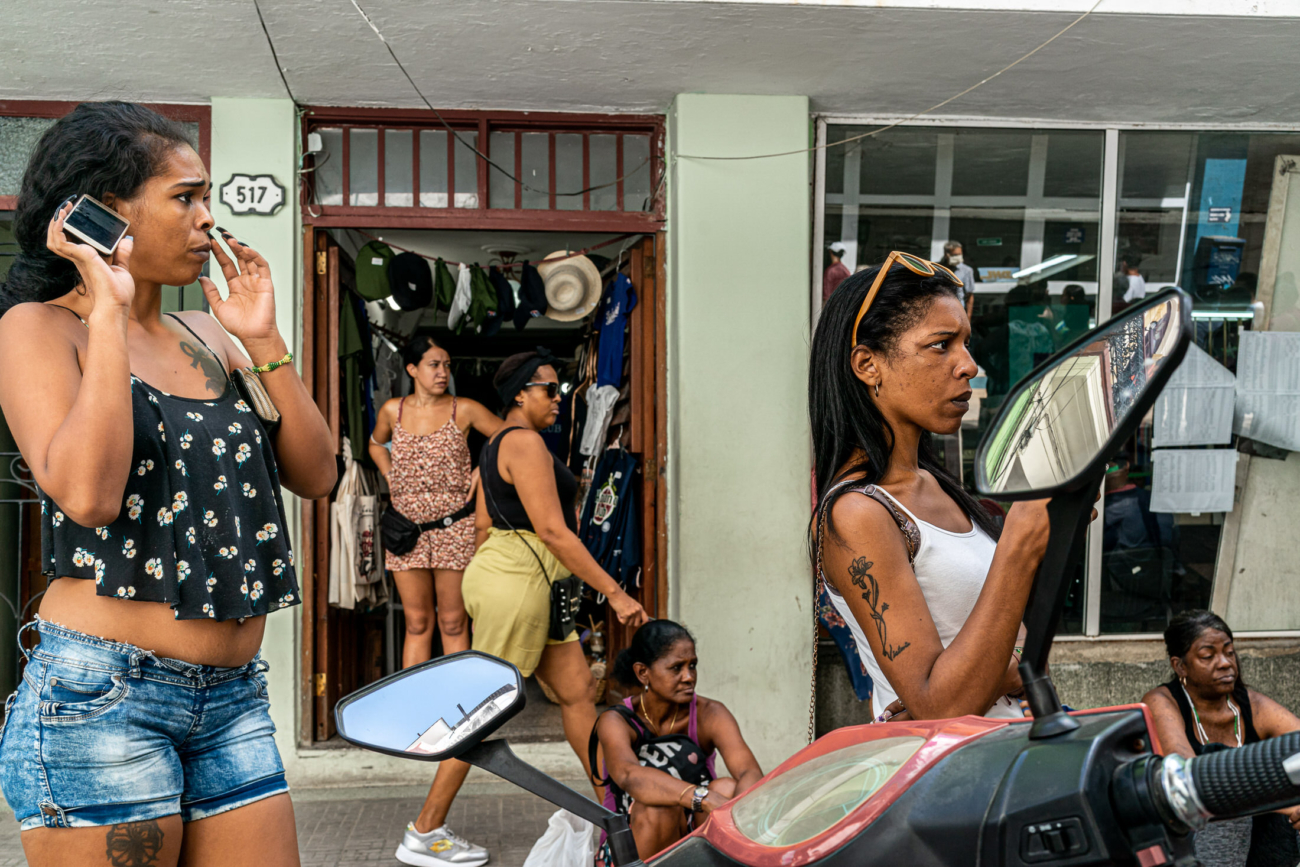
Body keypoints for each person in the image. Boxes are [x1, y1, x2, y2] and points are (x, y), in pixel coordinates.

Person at [0, 102, 336, 866]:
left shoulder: (213, 333)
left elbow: (316, 475)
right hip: (101, 696)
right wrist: (110, 313)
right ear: (102, 214)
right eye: (184, 198)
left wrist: (266, 340)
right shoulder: (39, 329)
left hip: (232, 698)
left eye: (207, 196)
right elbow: (88, 495)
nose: (207, 220)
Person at [396, 348, 649, 867]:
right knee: (482, 709)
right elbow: (553, 531)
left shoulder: (496, 445)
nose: (560, 399)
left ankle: (611, 799)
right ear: (520, 394)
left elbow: (486, 525)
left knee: (579, 693)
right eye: (550, 390)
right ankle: (424, 829)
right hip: (519, 581)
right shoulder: (525, 443)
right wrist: (617, 594)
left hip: (523, 578)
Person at [809, 255, 1052, 721]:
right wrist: (1020, 542)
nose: (969, 366)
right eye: (941, 346)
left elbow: (1023, 648)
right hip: (954, 781)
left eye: (966, 343)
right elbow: (941, 705)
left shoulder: (936, 488)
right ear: (867, 364)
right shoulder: (859, 513)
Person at [369, 336, 502, 665]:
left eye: (446, 365)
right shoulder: (392, 410)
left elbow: (508, 437)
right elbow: (374, 444)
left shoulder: (464, 408)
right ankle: (416, 708)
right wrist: (389, 474)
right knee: (416, 623)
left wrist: (480, 472)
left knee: (453, 622)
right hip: (405, 530)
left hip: (453, 529)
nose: (443, 372)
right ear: (413, 369)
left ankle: (460, 707)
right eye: (434, 365)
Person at [591, 620, 763, 862]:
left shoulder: (709, 713)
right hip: (633, 841)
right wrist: (703, 798)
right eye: (676, 668)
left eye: (692, 666)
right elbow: (630, 775)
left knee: (727, 787)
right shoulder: (616, 720)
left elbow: (749, 771)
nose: (689, 677)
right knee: (657, 808)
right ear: (643, 673)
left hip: (694, 832)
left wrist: (735, 816)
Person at [1142, 611, 1300, 867]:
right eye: (1208, 656)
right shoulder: (1161, 702)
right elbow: (1192, 780)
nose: (1226, 663)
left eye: (1229, 652)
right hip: (1189, 831)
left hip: (1262, 847)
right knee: (1222, 791)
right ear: (1180, 666)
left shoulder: (1252, 705)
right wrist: (1284, 805)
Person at [940, 241, 976, 319]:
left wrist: (968, 317)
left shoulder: (966, 270)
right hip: (939, 312)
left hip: (957, 313)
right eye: (955, 255)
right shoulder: (938, 269)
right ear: (947, 254)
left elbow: (970, 295)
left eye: (960, 254)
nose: (959, 257)